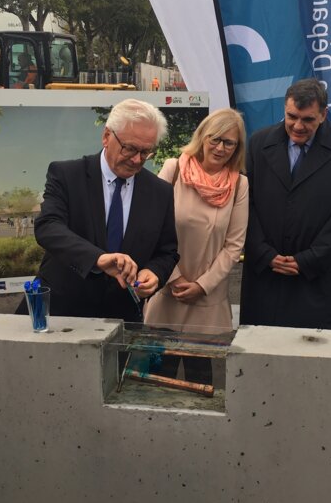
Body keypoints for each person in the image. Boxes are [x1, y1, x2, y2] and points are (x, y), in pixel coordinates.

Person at [25, 98, 179, 321]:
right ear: (106, 136)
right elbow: (48, 227)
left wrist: (154, 273)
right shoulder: (67, 175)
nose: (137, 160)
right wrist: (97, 258)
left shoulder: (160, 191)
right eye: (130, 148)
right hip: (61, 312)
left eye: (146, 152)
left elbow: (167, 251)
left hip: (122, 317)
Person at [240, 78, 331, 329]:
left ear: (323, 115)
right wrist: (264, 253)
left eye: (307, 119)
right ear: (284, 109)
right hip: (265, 273)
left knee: (311, 347)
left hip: (314, 277)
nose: (297, 126)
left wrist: (309, 259)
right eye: (292, 117)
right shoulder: (259, 143)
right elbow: (245, 202)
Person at [144, 109, 249, 384]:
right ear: (202, 136)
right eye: (215, 139)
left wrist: (202, 286)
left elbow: (234, 245)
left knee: (201, 387)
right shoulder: (174, 169)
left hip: (206, 301)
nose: (221, 148)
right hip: (167, 294)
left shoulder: (240, 185)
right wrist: (173, 278)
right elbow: (151, 230)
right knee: (156, 383)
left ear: (237, 147)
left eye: (229, 142)